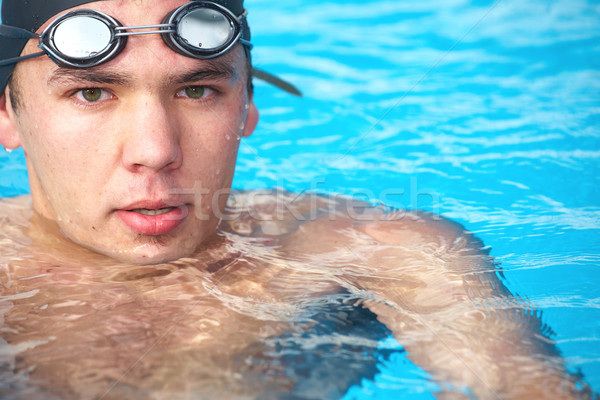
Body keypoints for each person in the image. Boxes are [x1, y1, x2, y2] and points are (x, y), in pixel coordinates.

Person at [0, 1, 594, 399]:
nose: (155, 150)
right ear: (8, 113)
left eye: (199, 89)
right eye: (92, 93)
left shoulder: (365, 250)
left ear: (247, 106)